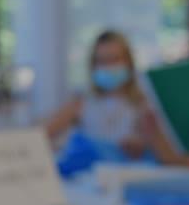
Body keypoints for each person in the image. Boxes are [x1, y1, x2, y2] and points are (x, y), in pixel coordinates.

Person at [46, 30, 150, 158]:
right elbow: (43, 134)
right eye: (102, 61)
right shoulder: (80, 103)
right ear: (93, 65)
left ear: (129, 62)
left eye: (115, 59)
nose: (108, 67)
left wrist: (141, 145)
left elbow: (156, 147)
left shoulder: (143, 104)